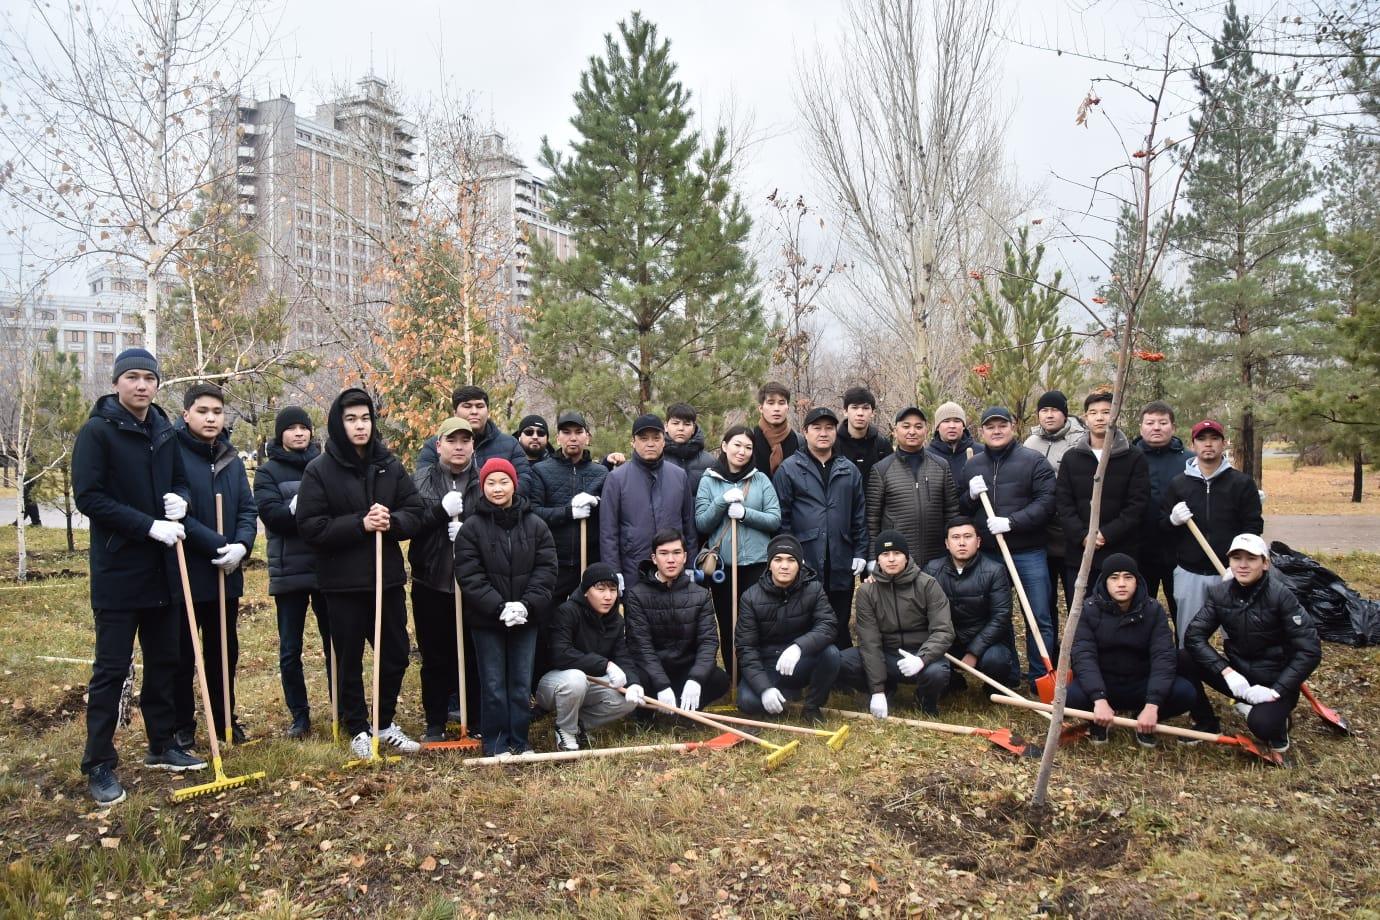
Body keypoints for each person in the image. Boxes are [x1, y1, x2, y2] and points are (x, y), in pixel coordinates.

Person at [73, 348, 205, 805]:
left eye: (149, 377)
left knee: (165, 660)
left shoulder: (164, 432)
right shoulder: (97, 432)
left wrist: (181, 501)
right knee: (111, 669)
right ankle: (99, 762)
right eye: (132, 377)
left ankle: (163, 743)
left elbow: (179, 481)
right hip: (118, 569)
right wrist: (147, 525)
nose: (142, 385)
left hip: (163, 570)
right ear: (116, 383)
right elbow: (89, 497)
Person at [296, 387, 426, 758]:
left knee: (396, 652)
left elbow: (414, 512)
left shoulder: (388, 465)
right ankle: (357, 727)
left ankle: (383, 722)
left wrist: (393, 520)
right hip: (341, 584)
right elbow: (311, 526)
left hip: (386, 582)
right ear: (338, 422)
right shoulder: (319, 470)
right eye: (351, 419)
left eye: (365, 418)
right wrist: (360, 524)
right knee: (347, 657)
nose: (359, 426)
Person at [171, 383, 258, 748]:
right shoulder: (172, 452)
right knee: (181, 653)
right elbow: (177, 515)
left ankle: (225, 719)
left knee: (224, 651)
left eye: (217, 412)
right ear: (186, 413)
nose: (211, 418)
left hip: (226, 573)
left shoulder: (230, 458)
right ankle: (181, 725)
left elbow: (247, 510)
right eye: (203, 411)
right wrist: (219, 544)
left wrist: (241, 545)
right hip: (186, 572)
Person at [454, 458, 558, 756]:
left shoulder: (536, 524)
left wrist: (525, 606)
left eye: (503, 481)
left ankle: (520, 741)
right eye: (490, 482)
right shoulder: (471, 528)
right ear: (482, 486)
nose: (497, 488)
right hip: (488, 620)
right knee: (494, 683)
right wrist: (499, 607)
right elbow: (469, 575)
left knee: (520, 682)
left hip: (526, 618)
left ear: (514, 484)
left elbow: (546, 568)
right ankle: (496, 743)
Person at [1182, 534, 1322, 752]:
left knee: (1262, 726)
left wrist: (1276, 690)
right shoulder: (1221, 593)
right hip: (1239, 677)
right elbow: (1194, 636)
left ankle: (1279, 724)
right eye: (1237, 558)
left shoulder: (1281, 596)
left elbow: (1310, 650)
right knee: (1183, 658)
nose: (1243, 565)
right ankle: (1207, 723)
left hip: (1274, 680)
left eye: (1251, 559)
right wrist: (1227, 671)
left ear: (1265, 563)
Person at [959, 406, 1058, 682]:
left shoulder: (1033, 461)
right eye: (990, 427)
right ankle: (1010, 674)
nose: (997, 430)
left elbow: (1047, 503)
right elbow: (961, 508)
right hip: (990, 555)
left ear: (1012, 427)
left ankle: (1041, 677)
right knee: (999, 617)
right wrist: (970, 495)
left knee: (1039, 616)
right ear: (982, 431)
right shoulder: (973, 465)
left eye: (1002, 425)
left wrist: (1011, 522)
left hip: (1029, 552)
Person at [253, 405, 330, 740]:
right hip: (288, 570)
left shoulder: (325, 466)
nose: (299, 433)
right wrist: (296, 509)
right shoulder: (268, 472)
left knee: (336, 644)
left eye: (304, 427)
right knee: (290, 649)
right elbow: (272, 516)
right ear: (280, 433)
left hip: (327, 568)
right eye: (292, 428)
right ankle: (299, 716)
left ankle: (343, 706)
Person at [1066, 554, 1198, 746]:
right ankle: (1099, 721)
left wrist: (1153, 705)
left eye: (1128, 577)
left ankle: (1142, 721)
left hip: (1141, 683)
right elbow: (1084, 656)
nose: (1121, 583)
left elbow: (1163, 657)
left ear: (1137, 581)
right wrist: (1099, 699)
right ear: (1105, 581)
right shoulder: (1088, 609)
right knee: (1070, 695)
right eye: (1114, 577)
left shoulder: (1153, 610)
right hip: (1105, 682)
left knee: (1185, 693)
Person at [409, 417, 481, 743]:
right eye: (452, 440)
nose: (459, 446)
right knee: (435, 657)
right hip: (431, 582)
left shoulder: (484, 481)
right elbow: (408, 524)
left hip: (473, 585)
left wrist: (469, 530)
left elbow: (498, 525)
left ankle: (474, 720)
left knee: (472, 654)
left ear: (472, 445)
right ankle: (435, 722)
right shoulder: (422, 480)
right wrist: (440, 511)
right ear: (439, 445)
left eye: (465, 440)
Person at [773, 406, 869, 649]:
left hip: (841, 555)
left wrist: (860, 552)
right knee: (806, 614)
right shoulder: (790, 468)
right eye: (817, 428)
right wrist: (791, 553)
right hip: (806, 557)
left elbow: (859, 516)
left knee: (839, 614)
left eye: (829, 428)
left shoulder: (849, 470)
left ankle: (840, 668)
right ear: (805, 432)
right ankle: (808, 665)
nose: (823, 433)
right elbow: (781, 518)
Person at [1162, 419, 1265, 644]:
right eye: (1202, 439)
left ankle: (1236, 677)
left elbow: (1253, 528)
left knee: (1238, 639)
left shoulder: (1241, 483)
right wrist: (1172, 521)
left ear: (1223, 443)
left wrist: (1239, 566)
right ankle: (1190, 679)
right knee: (1189, 639)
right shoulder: (1179, 485)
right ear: (1193, 444)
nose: (1208, 444)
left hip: (1231, 575)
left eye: (1214, 439)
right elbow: (1163, 530)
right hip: (1189, 573)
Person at [695, 425, 782, 678]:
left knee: (756, 621)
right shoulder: (708, 480)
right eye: (737, 445)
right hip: (724, 566)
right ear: (724, 446)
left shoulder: (760, 479)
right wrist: (722, 501)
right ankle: (735, 675)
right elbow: (701, 523)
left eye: (748, 447)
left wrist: (746, 514)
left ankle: (758, 675)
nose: (742, 452)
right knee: (728, 621)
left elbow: (774, 519)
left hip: (756, 563)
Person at [840, 530, 954, 718]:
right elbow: (870, 641)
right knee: (842, 660)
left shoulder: (927, 584)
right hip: (887, 655)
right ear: (878, 560)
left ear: (907, 557)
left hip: (919, 654)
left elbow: (943, 630)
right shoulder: (867, 591)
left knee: (937, 672)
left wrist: (922, 658)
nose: (891, 559)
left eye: (897, 554)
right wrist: (876, 690)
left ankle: (926, 700)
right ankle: (885, 690)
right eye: (885, 554)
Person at [535, 562, 641, 751]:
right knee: (576, 678)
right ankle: (565, 730)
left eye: (612, 590)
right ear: (585, 591)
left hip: (590, 685)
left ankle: (578, 725)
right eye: (600, 589)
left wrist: (633, 683)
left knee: (626, 701)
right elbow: (561, 654)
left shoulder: (616, 621)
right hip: (554, 686)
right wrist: (606, 665)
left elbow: (622, 655)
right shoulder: (567, 612)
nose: (608, 596)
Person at [734, 535, 840, 721]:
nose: (784, 566)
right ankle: (781, 693)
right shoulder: (750, 597)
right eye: (778, 559)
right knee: (747, 702)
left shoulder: (814, 589)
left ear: (799, 564)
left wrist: (799, 647)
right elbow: (746, 648)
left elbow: (828, 624)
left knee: (831, 654)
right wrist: (764, 688)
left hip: (800, 661)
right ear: (769, 564)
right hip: (768, 665)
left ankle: (812, 707)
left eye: (791, 560)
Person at [623, 529, 730, 713]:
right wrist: (662, 684)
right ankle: (651, 711)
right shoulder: (636, 595)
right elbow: (641, 646)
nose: (670, 560)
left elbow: (709, 641)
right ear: (654, 558)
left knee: (718, 679)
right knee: (634, 679)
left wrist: (696, 679)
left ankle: (687, 708)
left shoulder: (700, 594)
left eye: (676, 553)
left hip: (685, 669)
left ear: (685, 557)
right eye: (664, 554)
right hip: (651, 671)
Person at [1054, 391, 1151, 593]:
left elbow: (1137, 504)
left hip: (1121, 551)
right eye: (1093, 413)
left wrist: (1106, 534)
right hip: (1080, 553)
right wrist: (1083, 536)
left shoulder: (1133, 457)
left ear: (1116, 416)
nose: (1100, 418)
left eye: (1107, 412)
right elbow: (1063, 503)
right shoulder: (1072, 458)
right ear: (1085, 418)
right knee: (1081, 612)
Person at [599, 414, 698, 588]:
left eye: (656, 438)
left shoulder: (678, 476)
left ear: (664, 441)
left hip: (672, 568)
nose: (650, 443)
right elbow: (608, 531)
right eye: (643, 438)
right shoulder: (616, 479)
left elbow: (689, 525)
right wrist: (614, 571)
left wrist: (689, 565)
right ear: (633, 442)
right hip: (634, 567)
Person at [923, 517, 1019, 691]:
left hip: (984, 641)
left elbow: (1001, 616)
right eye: (955, 537)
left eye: (967, 536)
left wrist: (974, 652)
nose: (961, 543)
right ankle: (953, 682)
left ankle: (992, 688)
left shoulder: (995, 570)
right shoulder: (932, 569)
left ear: (978, 541)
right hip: (947, 641)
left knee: (996, 660)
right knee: (930, 663)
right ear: (946, 543)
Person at [530, 411, 608, 605]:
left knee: (585, 621)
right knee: (550, 621)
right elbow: (534, 512)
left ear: (587, 437)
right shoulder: (541, 470)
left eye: (578, 431)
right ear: (558, 438)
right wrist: (569, 512)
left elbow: (611, 515)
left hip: (589, 563)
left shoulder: (601, 473)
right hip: (553, 563)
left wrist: (597, 503)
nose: (573, 438)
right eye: (566, 432)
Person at [866, 405, 959, 567]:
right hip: (897, 559)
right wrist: (874, 557)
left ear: (926, 430)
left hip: (937, 558)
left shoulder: (941, 466)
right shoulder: (881, 469)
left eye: (918, 426)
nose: (912, 431)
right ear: (895, 431)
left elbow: (951, 511)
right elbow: (872, 519)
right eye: (906, 426)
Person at [1023, 389, 1086, 611]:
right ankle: (1050, 646)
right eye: (1044, 410)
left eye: (1055, 410)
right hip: (1042, 532)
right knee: (1045, 598)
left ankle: (1076, 643)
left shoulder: (1081, 441)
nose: (1049, 415)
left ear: (1065, 414)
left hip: (1072, 531)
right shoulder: (1030, 443)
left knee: (1076, 595)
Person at [413, 385, 534, 494]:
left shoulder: (510, 444)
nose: (474, 412)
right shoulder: (434, 445)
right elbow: (424, 484)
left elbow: (524, 480)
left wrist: (496, 500)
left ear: (488, 411)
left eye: (480, 406)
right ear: (455, 412)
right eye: (467, 406)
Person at [1134, 400, 1188, 618]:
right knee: (1141, 609)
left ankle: (1183, 651)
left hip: (1180, 549)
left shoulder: (1189, 460)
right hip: (1140, 549)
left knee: (1181, 609)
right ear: (1141, 427)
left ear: (1173, 427)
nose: (1156, 427)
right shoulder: (1128, 458)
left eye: (1162, 422)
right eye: (1150, 422)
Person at [835, 386, 892, 497]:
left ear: (873, 412)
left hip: (873, 510)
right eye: (854, 407)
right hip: (842, 510)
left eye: (865, 408)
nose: (860, 413)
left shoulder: (882, 445)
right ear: (845, 411)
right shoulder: (833, 444)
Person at [663, 402, 717, 497]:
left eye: (687, 424)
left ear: (693, 429)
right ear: (666, 426)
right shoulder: (656, 458)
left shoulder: (709, 462)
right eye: (675, 423)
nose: (681, 428)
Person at [748, 381, 799, 477]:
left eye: (781, 403)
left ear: (787, 407)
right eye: (771, 403)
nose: (776, 408)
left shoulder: (799, 441)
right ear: (761, 408)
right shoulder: (750, 439)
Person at [926, 401, 981, 484]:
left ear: (963, 426)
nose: (952, 426)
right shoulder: (927, 456)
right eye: (946, 421)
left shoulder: (980, 452)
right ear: (937, 427)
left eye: (957, 421)